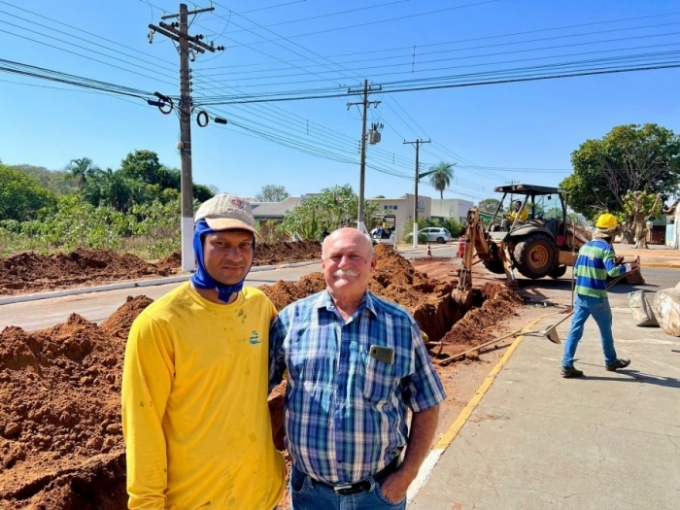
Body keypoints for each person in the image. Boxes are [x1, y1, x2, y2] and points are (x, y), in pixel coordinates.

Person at [122, 193, 285, 509]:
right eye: (221, 244)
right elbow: (143, 428)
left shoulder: (260, 307)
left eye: (243, 245)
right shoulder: (159, 324)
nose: (235, 256)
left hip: (262, 498)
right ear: (198, 245)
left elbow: (298, 365)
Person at [269, 227, 446, 509]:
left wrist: (406, 476)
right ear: (322, 264)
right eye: (336, 256)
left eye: (355, 256)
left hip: (377, 495)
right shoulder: (291, 320)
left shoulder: (400, 325)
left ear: (373, 264)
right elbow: (253, 391)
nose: (344, 264)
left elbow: (428, 403)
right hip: (310, 497)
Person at [561, 213, 639, 378]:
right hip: (597, 298)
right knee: (605, 330)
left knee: (575, 331)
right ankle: (611, 361)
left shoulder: (585, 247)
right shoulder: (606, 249)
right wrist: (629, 267)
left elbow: (576, 271)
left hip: (580, 296)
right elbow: (612, 271)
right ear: (611, 234)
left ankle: (566, 364)